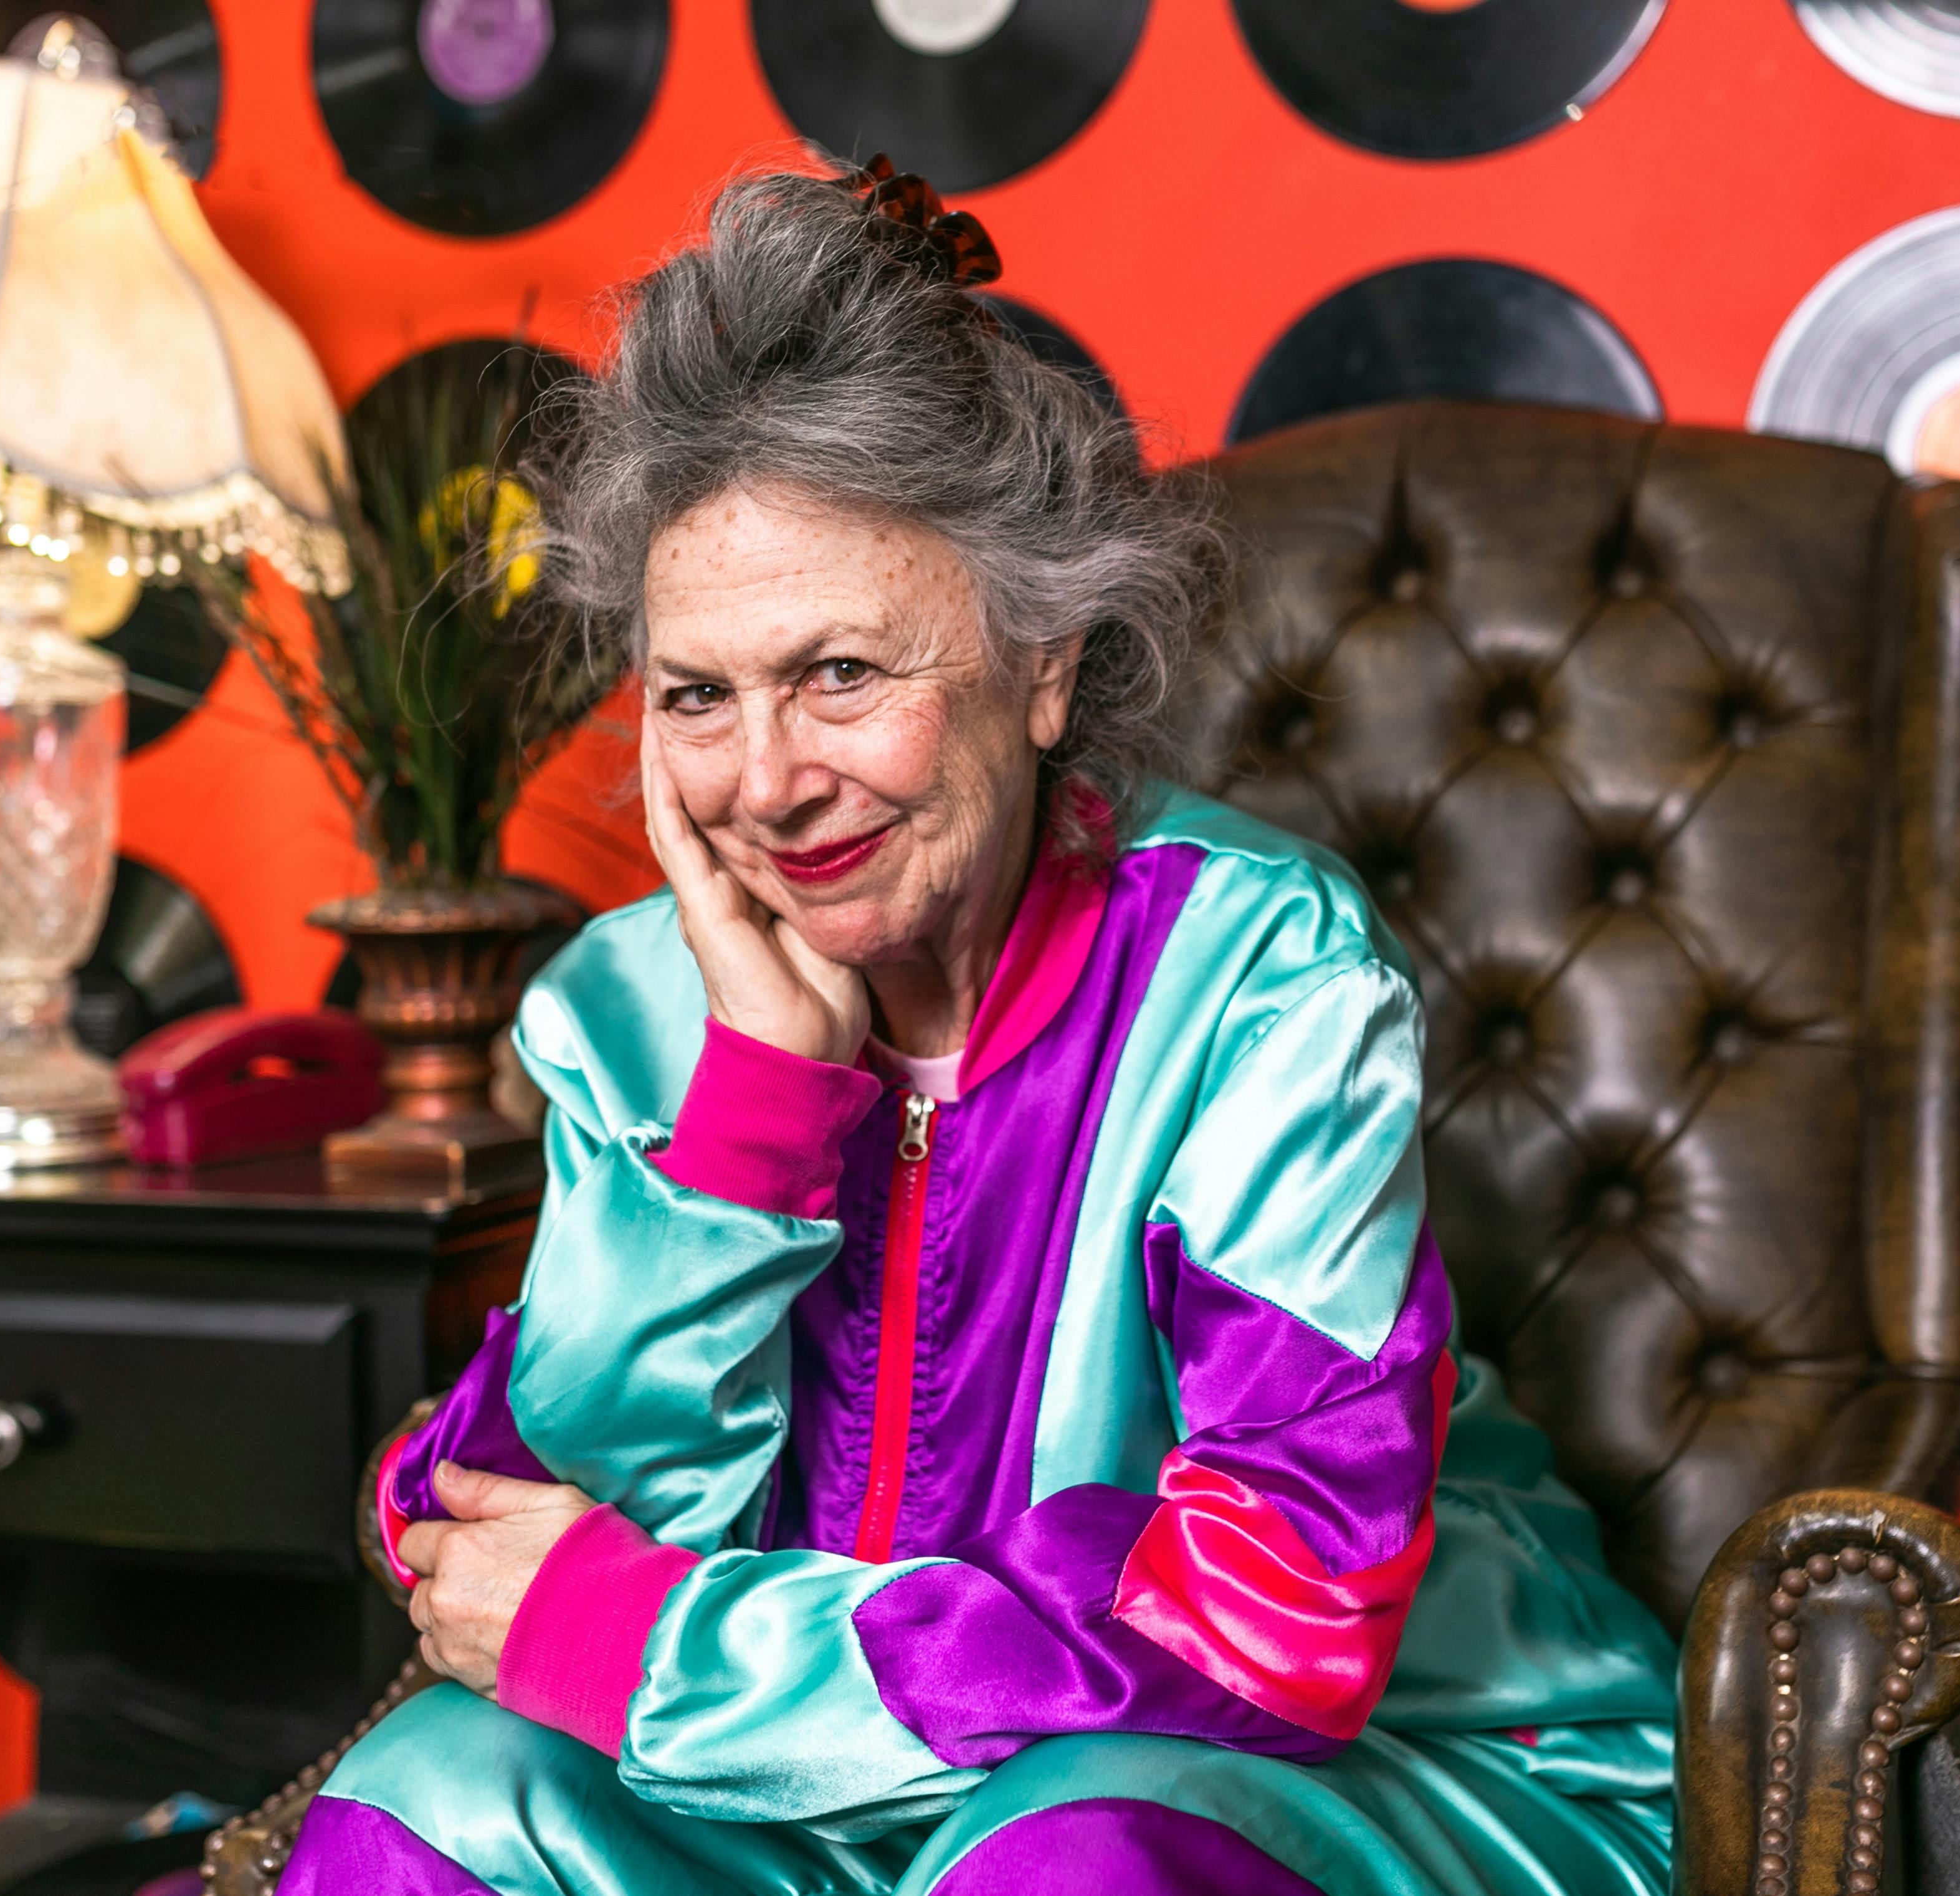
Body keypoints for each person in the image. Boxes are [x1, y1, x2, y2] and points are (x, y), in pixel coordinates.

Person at [280, 161, 1677, 1896]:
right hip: (826, 1786)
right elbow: (499, 1547)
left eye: (842, 675)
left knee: (1062, 1856)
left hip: (1374, 1779)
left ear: (1041, 665)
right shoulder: (621, 1010)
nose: (770, 784)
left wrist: (650, 1646)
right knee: (429, 1795)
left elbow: (1267, 1616)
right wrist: (749, 1118)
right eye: (699, 696)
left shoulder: (1258, 976)